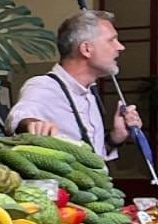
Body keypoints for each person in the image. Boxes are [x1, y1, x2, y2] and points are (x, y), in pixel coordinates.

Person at [7, 10, 141, 160]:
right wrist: (31, 124)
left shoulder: (89, 93)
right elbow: (18, 117)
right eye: (112, 40)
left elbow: (93, 158)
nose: (120, 47)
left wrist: (116, 137)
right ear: (86, 49)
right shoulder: (43, 86)